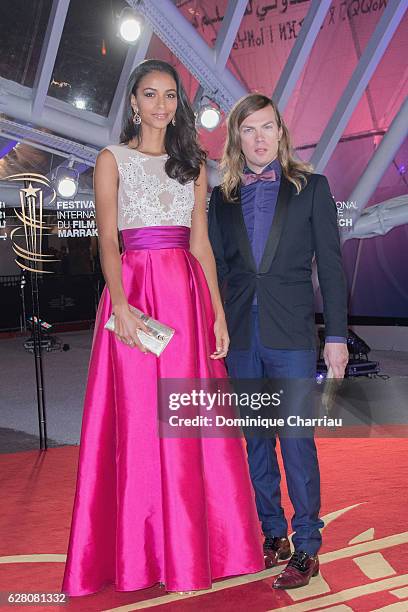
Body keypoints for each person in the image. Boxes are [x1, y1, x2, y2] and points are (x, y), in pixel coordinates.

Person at [61, 60, 264, 596]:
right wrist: (121, 307)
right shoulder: (113, 160)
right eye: (150, 94)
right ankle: (139, 552)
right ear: (133, 101)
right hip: (135, 296)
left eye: (170, 95)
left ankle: (199, 550)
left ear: (179, 103)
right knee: (137, 418)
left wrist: (217, 311)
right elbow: (107, 241)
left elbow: (201, 245)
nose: (160, 104)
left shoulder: (192, 164)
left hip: (186, 295)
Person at [208, 93, 348, 589]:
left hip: (291, 337)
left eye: (267, 127)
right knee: (257, 442)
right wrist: (217, 325)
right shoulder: (220, 198)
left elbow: (330, 267)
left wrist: (335, 335)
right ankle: (273, 534)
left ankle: (307, 543)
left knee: (295, 440)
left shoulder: (312, 188)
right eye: (249, 130)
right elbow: (219, 270)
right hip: (242, 337)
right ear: (236, 138)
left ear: (281, 132)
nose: (260, 138)